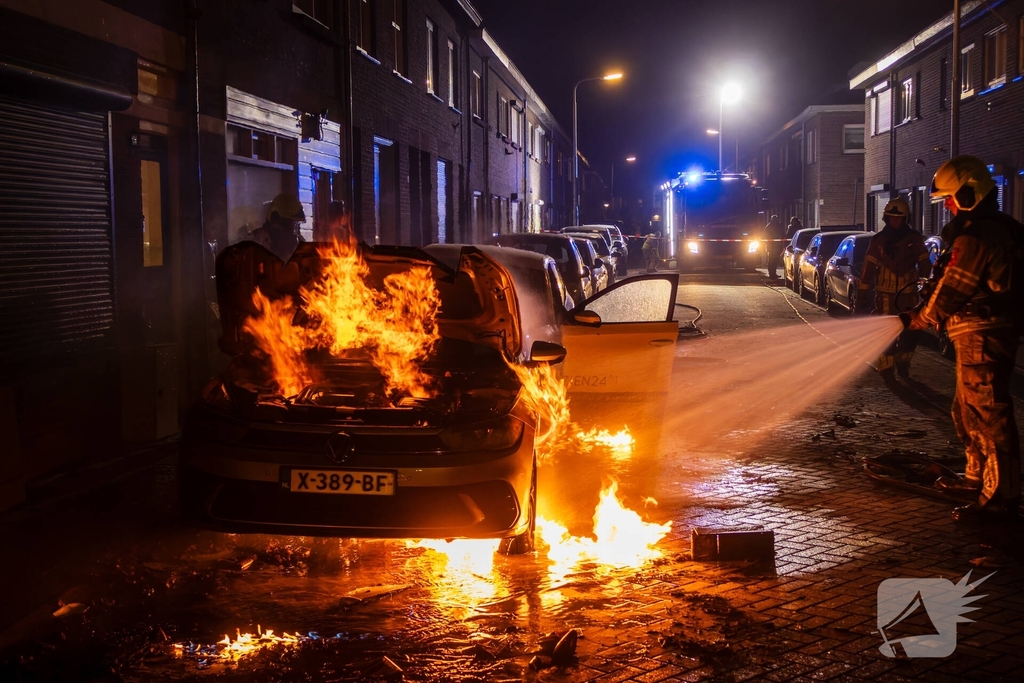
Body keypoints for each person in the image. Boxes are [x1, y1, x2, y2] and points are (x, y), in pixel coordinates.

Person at [905, 156, 1022, 523]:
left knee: (987, 413)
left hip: (982, 333)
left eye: (952, 198)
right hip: (978, 333)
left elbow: (955, 288)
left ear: (971, 193)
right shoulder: (995, 229)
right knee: (966, 410)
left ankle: (999, 501)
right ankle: (976, 478)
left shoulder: (977, 236)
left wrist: (920, 318)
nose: (950, 206)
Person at [856, 197, 931, 376]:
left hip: (908, 294)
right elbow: (868, 267)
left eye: (899, 218)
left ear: (905, 219)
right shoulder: (878, 241)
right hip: (885, 295)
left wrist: (928, 283)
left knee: (910, 331)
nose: (895, 221)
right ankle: (886, 365)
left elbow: (925, 264)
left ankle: (903, 362)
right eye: (891, 218)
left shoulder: (915, 239)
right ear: (886, 219)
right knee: (886, 331)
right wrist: (863, 290)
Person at [248, 192, 306, 260]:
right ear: (275, 220)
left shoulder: (296, 241)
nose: (291, 231)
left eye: (294, 225)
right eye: (288, 224)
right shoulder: (255, 241)